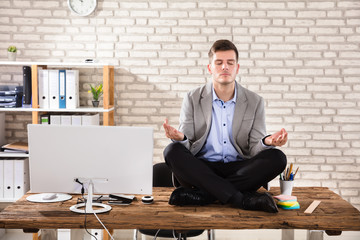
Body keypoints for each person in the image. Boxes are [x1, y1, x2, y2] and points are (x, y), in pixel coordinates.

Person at [163, 39, 288, 213]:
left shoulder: (255, 101)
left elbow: (253, 149)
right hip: (203, 168)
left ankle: (205, 195)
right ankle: (241, 199)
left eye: (230, 63)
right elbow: (189, 148)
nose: (225, 67)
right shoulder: (192, 98)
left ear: (237, 68)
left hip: (239, 169)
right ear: (210, 68)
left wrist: (267, 142)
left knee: (277, 157)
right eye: (219, 62)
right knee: (172, 151)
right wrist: (181, 138)